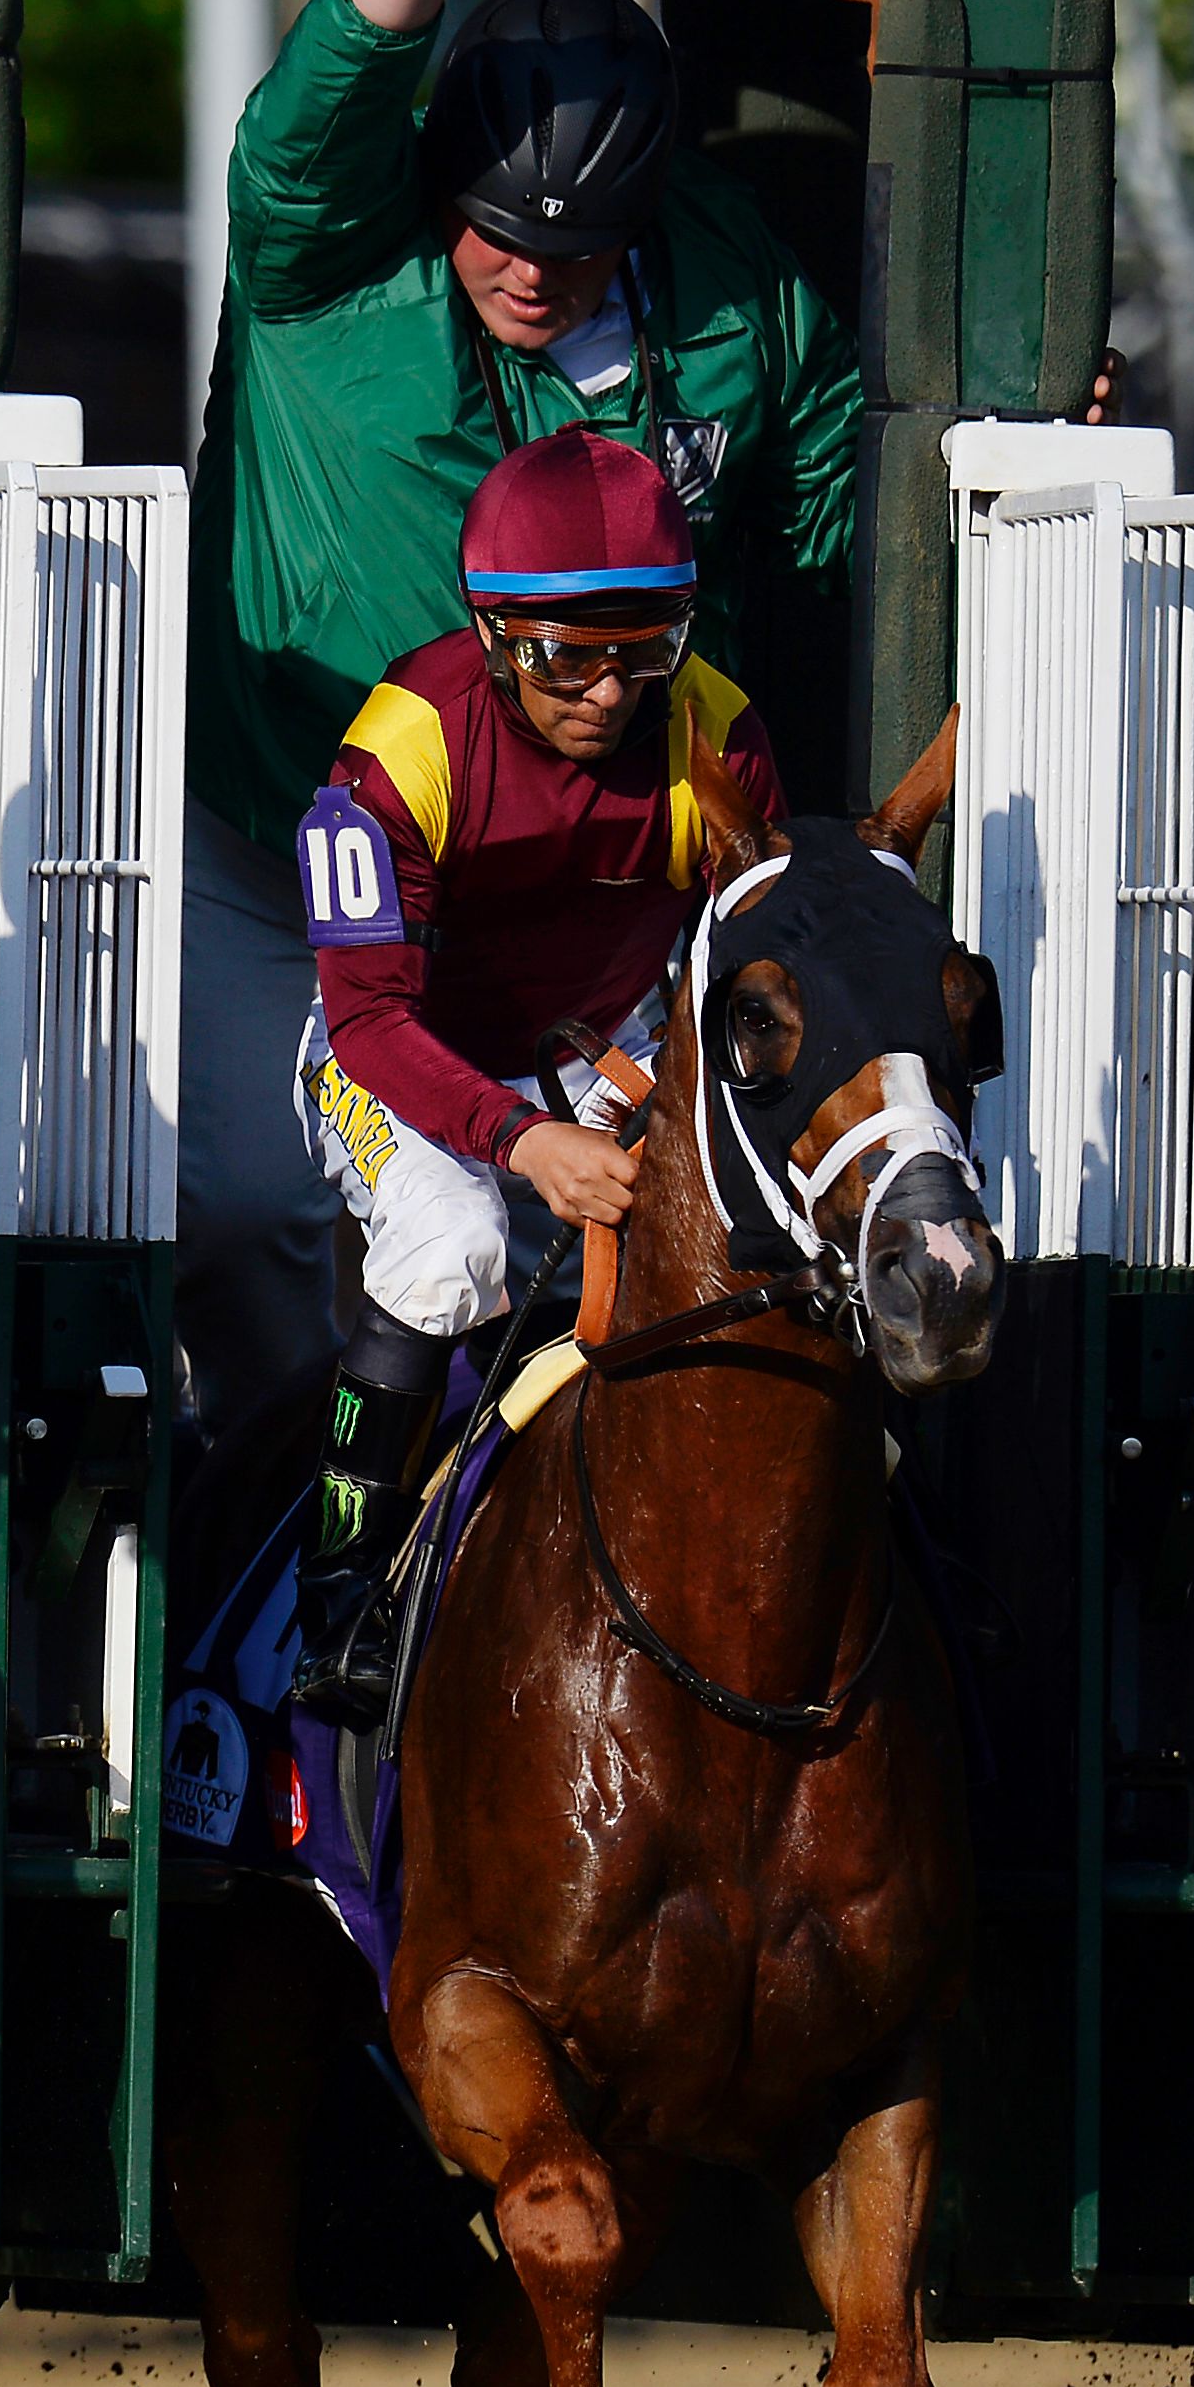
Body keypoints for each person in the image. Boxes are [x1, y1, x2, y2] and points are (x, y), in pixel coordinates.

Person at [176, 0, 854, 1450]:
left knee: (606, 1233)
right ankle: (274, 1522)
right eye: (491, 227)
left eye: (573, 243)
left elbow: (823, 518)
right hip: (300, 853)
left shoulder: (737, 292)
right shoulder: (331, 262)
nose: (525, 271)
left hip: (580, 901)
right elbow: (286, 156)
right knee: (260, 1207)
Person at [280, 428, 784, 1721]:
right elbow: (369, 1019)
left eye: (643, 654)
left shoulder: (718, 736)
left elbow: (738, 972)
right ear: (496, 636)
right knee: (452, 1247)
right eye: (567, 656)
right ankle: (336, 1602)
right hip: (402, 1053)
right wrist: (517, 1142)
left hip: (606, 1040)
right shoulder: (399, 749)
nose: (610, 696)